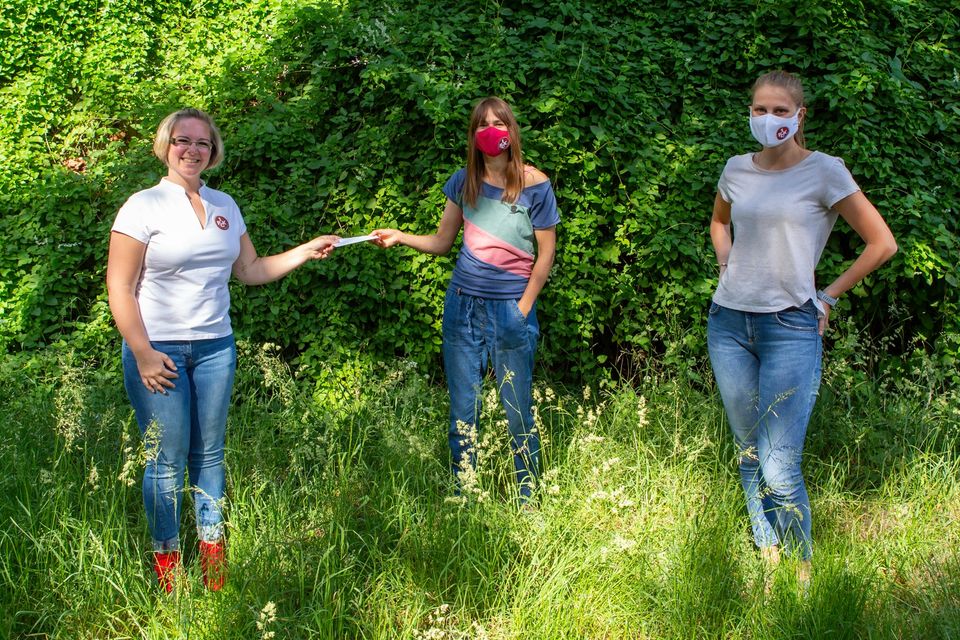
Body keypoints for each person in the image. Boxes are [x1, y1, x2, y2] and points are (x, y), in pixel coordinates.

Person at [106, 108, 338, 592]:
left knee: (209, 456)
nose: (192, 150)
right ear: (165, 145)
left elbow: (250, 269)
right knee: (166, 460)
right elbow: (120, 286)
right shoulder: (142, 206)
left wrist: (305, 250)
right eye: (182, 141)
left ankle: (213, 564)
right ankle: (168, 568)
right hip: (159, 350)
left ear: (213, 152)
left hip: (215, 348)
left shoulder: (225, 205)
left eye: (203, 143)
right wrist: (143, 352)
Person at [707, 71, 897, 587]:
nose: (767, 119)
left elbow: (882, 243)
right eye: (759, 109)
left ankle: (802, 571)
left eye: (779, 111)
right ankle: (768, 554)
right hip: (728, 324)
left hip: (791, 326)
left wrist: (828, 296)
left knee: (778, 462)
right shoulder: (736, 168)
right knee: (749, 450)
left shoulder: (825, 172)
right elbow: (719, 221)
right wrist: (727, 265)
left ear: (799, 116)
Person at [372, 97, 559, 503]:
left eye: (499, 122)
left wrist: (523, 308)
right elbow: (442, 243)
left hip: (511, 308)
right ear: (474, 136)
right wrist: (400, 235)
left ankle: (529, 498)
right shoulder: (464, 181)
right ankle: (465, 492)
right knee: (462, 409)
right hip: (462, 307)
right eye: (483, 124)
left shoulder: (536, 185)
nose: (492, 130)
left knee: (517, 410)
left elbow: (546, 255)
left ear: (511, 129)